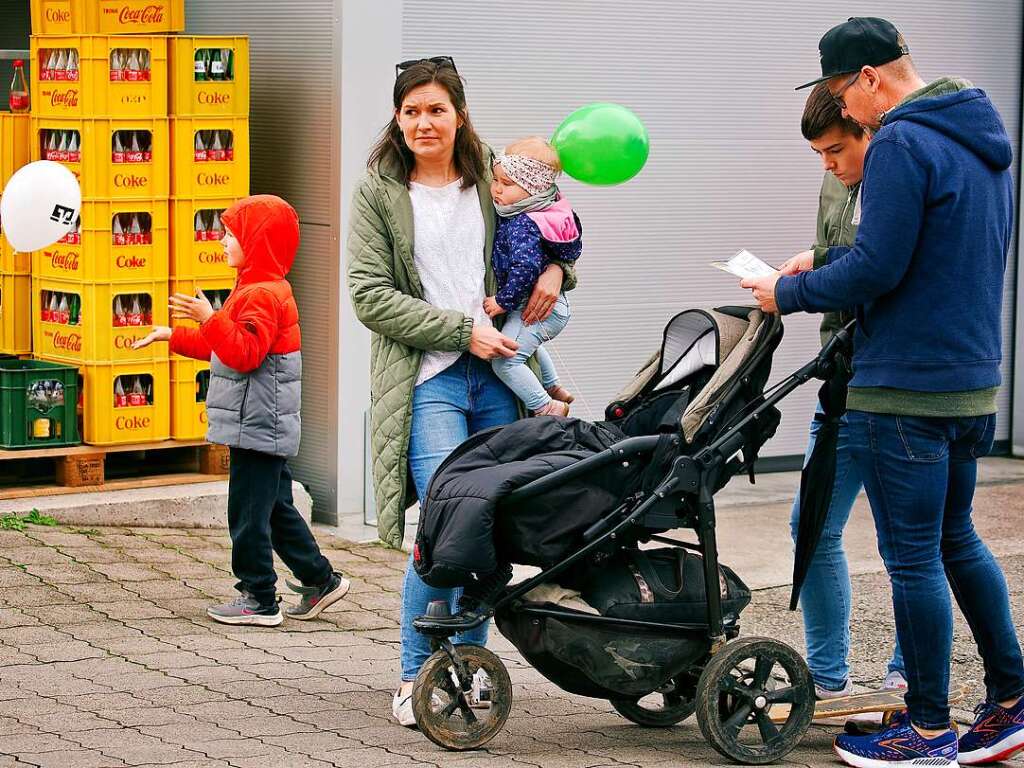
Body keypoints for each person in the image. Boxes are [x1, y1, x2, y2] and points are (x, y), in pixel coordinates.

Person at [742, 17, 1024, 767]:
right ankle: (1010, 698)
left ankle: (928, 731)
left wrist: (787, 290)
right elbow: (937, 247)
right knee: (956, 540)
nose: (845, 109)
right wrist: (832, 258)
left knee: (913, 562)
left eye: (840, 91)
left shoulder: (900, 138)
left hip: (901, 388)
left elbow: (879, 269)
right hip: (970, 384)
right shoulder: (980, 134)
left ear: (868, 78)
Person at [345, 57, 577, 726]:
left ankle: (468, 671)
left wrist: (559, 271)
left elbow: (552, 225)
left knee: (493, 521)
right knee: (447, 519)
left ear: (459, 116)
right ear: (397, 117)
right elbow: (369, 296)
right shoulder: (378, 192)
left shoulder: (491, 180)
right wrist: (461, 332)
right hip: (431, 378)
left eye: (436, 109)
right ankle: (417, 673)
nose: (424, 121)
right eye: (412, 109)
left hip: (499, 377)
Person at [134, 195, 349, 626]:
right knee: (274, 508)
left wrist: (209, 316)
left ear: (258, 240)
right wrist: (171, 335)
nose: (222, 241)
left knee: (248, 515)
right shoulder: (255, 289)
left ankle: (259, 598)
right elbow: (224, 349)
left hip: (258, 424)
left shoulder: (263, 296)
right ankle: (319, 579)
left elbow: (244, 353)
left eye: (231, 234)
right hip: (260, 422)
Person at [783, 82, 906, 706]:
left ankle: (907, 678)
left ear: (867, 128)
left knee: (909, 539)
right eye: (819, 154)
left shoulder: (896, 167)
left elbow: (879, 265)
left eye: (836, 149)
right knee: (814, 524)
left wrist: (801, 282)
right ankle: (830, 679)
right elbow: (843, 263)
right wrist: (815, 262)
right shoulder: (838, 177)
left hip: (892, 378)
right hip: (843, 372)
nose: (829, 164)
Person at [485, 136, 582, 417]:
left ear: (532, 189)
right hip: (549, 306)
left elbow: (525, 268)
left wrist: (502, 301)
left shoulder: (523, 223)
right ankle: (553, 386)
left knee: (506, 361)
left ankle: (546, 406)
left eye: (508, 184)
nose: (496, 189)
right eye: (495, 180)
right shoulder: (548, 210)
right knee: (529, 344)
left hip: (538, 306)